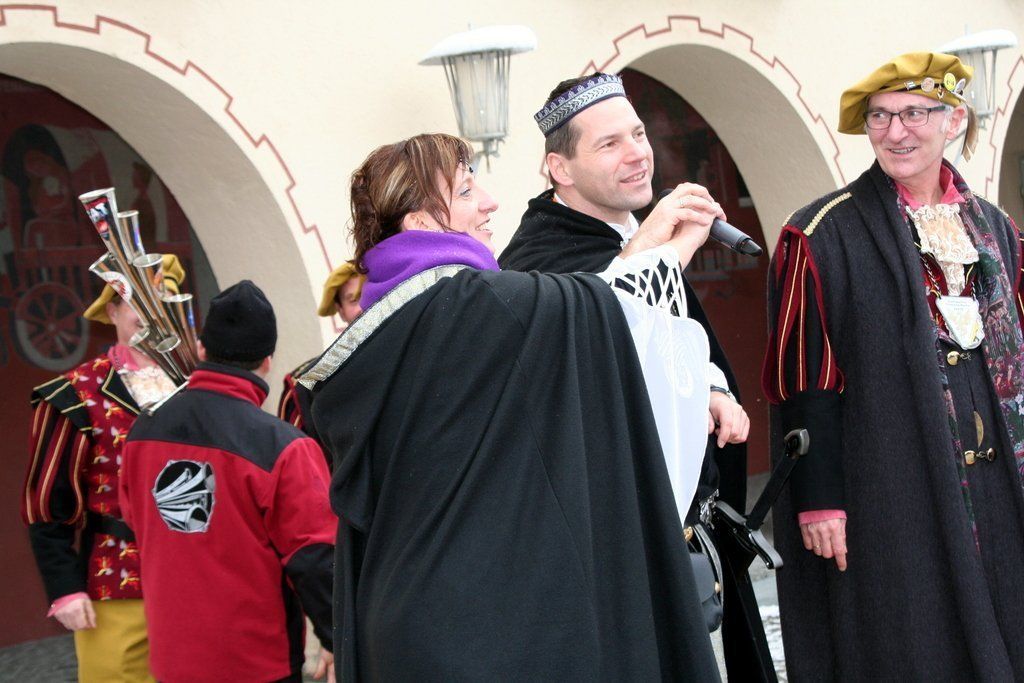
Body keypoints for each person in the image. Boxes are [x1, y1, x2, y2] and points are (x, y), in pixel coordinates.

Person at [299, 132, 724, 681]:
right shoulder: (470, 305)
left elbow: (580, 308)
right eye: (465, 190)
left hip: (402, 624)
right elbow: (604, 313)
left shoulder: (390, 330)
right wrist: (672, 246)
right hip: (479, 629)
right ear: (421, 223)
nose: (490, 202)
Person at [763, 52, 1024, 679]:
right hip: (894, 488)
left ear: (953, 120)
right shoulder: (820, 233)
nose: (895, 131)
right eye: (879, 117)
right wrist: (819, 499)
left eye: (913, 113)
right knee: (914, 642)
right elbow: (804, 378)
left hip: (999, 488)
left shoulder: (995, 228)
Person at [498, 72, 762, 677]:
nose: (637, 153)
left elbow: (670, 342)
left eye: (638, 134)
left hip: (691, 531)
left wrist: (713, 387)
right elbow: (595, 335)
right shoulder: (535, 261)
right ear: (560, 168)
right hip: (619, 545)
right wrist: (658, 246)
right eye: (609, 143)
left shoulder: (629, 236)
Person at [119, 280, 337, 683]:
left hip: (172, 658)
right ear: (267, 361)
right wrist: (339, 640)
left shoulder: (142, 430)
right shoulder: (283, 446)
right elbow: (314, 560)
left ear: (202, 350)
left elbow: (137, 520)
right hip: (256, 661)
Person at [21, 255, 185, 683]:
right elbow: (46, 503)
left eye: (162, 301)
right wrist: (65, 588)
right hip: (117, 582)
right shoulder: (74, 393)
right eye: (138, 302)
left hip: (195, 578)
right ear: (112, 312)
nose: (150, 314)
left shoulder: (197, 385)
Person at [277, 260, 364, 440]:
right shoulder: (306, 384)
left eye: (367, 295)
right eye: (353, 300)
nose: (363, 307)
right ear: (340, 310)